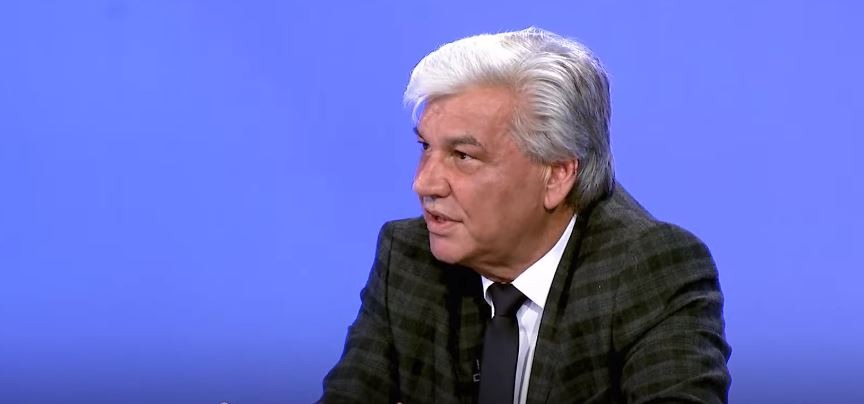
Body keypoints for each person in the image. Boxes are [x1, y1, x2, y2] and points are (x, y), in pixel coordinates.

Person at [321, 27, 731, 404]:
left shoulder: (648, 271)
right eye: (425, 147)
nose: (423, 183)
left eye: (462, 156)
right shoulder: (408, 258)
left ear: (556, 174)